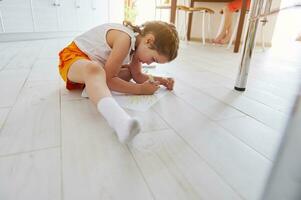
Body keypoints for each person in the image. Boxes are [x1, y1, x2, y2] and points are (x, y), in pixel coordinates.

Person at [58, 21, 179, 144]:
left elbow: (137, 76)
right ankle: (119, 121)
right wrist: (140, 89)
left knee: (127, 72)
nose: (149, 63)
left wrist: (161, 80)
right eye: (153, 59)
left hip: (93, 69)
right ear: (148, 41)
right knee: (95, 69)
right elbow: (109, 79)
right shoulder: (124, 39)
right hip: (74, 60)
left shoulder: (137, 47)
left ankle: (93, 88)